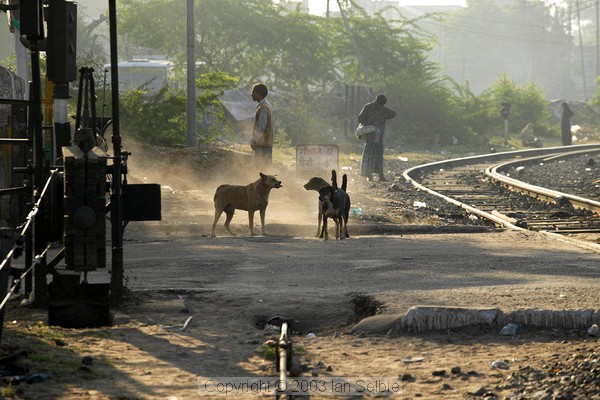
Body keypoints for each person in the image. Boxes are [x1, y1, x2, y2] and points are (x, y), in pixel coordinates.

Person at [357, 94, 397, 181]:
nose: (380, 106)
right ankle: (368, 175)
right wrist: (370, 122)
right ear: (376, 101)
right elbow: (360, 118)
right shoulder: (368, 107)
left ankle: (380, 175)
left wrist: (383, 116)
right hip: (370, 136)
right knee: (369, 156)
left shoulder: (383, 109)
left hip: (379, 137)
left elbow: (394, 114)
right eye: (379, 104)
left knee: (378, 156)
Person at [250, 83, 274, 169]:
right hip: (266, 144)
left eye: (254, 92)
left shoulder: (263, 108)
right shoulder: (267, 105)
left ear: (259, 93)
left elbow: (261, 128)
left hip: (262, 144)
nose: (251, 94)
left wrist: (254, 141)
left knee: (261, 170)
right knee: (266, 169)